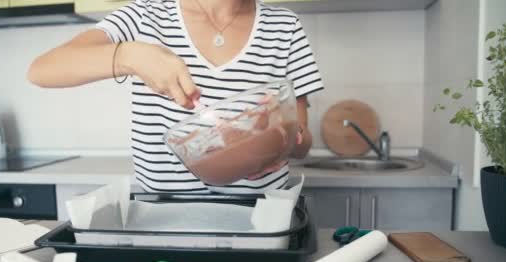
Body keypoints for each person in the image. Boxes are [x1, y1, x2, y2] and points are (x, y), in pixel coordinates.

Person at [28, 0, 323, 194]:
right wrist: (129, 56)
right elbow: (41, 70)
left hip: (264, 218)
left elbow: (302, 142)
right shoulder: (145, 16)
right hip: (165, 218)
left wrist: (286, 140)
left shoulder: (285, 26)